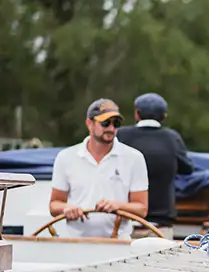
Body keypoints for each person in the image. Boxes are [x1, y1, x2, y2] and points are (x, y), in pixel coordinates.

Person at [49, 98, 149, 239]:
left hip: (119, 244)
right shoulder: (66, 157)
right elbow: (54, 205)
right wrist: (67, 208)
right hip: (75, 243)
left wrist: (117, 206)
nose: (111, 128)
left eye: (116, 123)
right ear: (89, 124)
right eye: (105, 123)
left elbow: (142, 209)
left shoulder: (134, 158)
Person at [116, 93, 193, 240]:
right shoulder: (172, 138)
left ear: (137, 114)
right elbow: (187, 169)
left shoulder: (121, 136)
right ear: (164, 116)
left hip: (123, 224)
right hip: (160, 227)